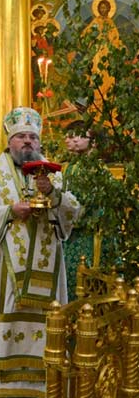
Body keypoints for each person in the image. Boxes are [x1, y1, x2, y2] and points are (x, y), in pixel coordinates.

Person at [0, 107, 81, 398]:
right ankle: (5, 387)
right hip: (8, 266)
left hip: (48, 261)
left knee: (48, 316)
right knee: (9, 311)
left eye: (32, 136)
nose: (28, 141)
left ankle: (45, 386)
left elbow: (73, 211)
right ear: (10, 142)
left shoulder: (54, 176)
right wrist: (9, 211)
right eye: (21, 137)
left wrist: (52, 194)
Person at [62, 121, 116, 300]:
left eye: (77, 135)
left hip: (90, 234)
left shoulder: (97, 169)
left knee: (87, 281)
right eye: (68, 136)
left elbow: (93, 204)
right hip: (69, 233)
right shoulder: (68, 167)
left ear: (93, 141)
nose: (70, 139)